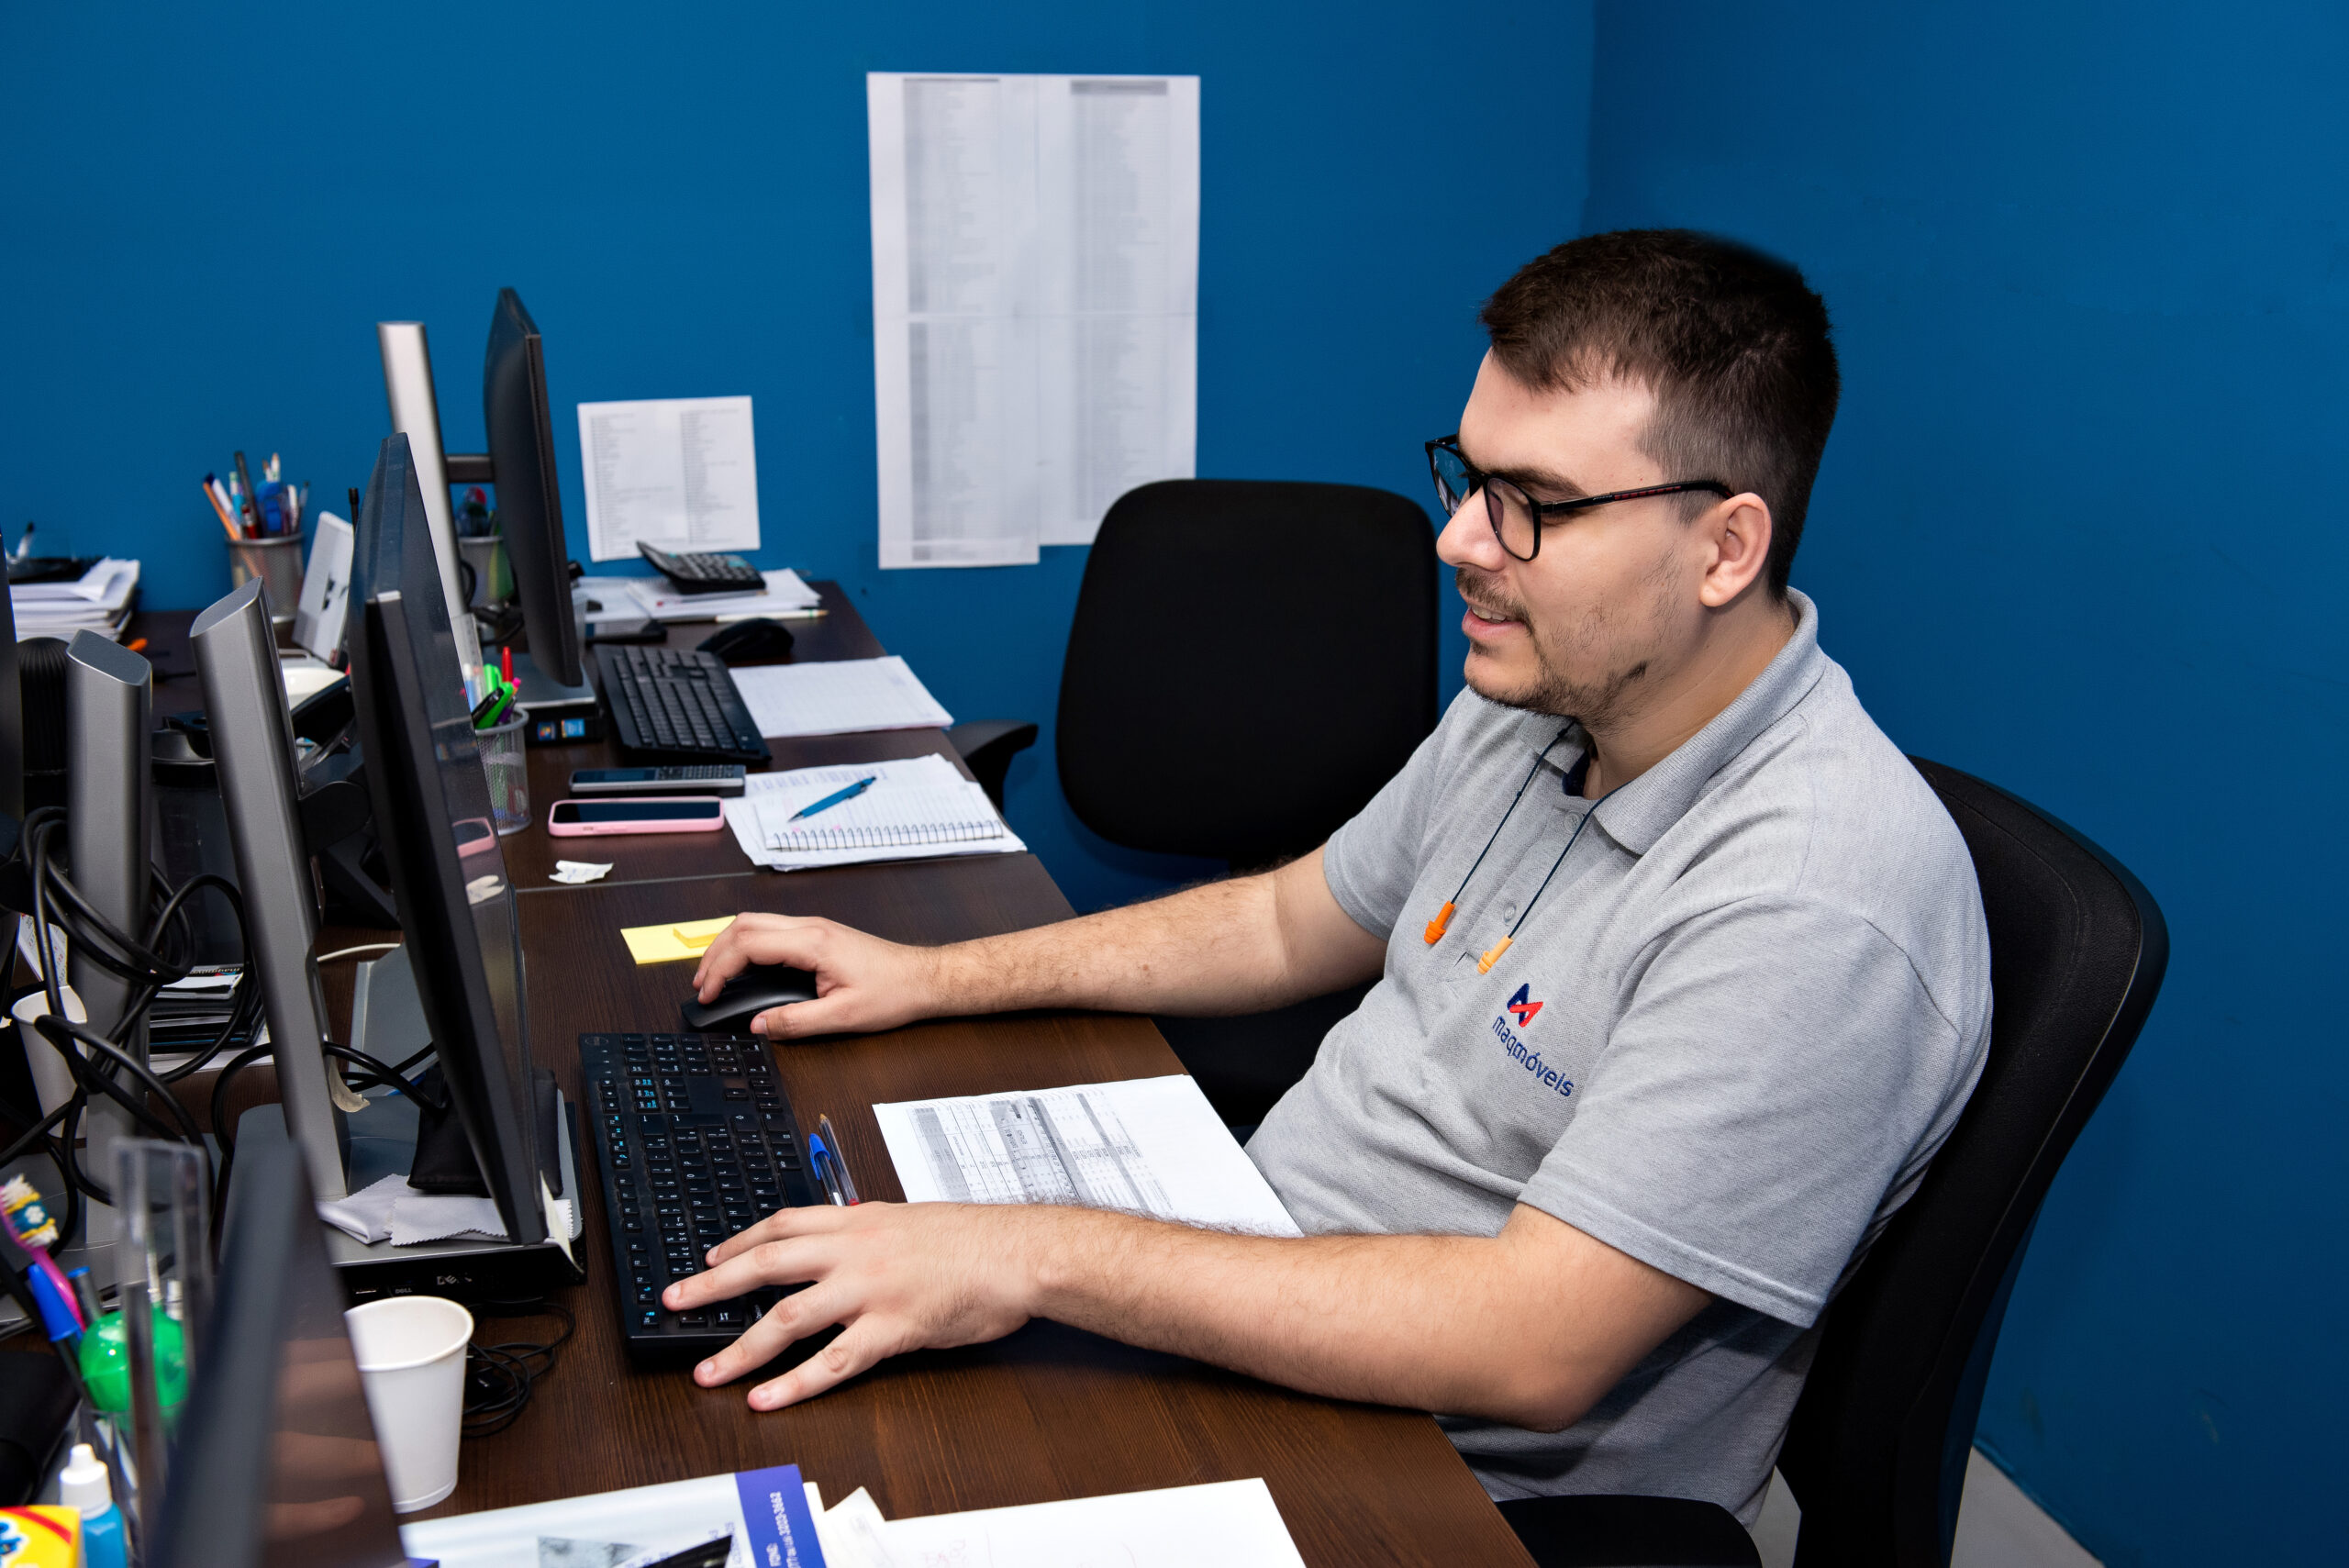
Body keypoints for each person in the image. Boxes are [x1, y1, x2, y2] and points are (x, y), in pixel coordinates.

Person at [667, 229, 1991, 1524]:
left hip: (1438, 1483)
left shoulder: (1817, 898)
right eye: (1465, 479)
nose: (1461, 540)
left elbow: (1538, 1342)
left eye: (1531, 502)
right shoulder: (1546, 695)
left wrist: (1033, 1250)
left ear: (1725, 549)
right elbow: (1294, 914)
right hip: (1262, 1299)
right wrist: (930, 977)